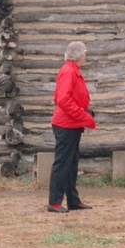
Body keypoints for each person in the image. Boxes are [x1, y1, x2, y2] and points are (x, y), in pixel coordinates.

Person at [48, 41, 96, 213]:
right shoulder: (69, 71)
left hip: (71, 122)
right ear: (80, 56)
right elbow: (63, 100)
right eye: (84, 53)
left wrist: (83, 114)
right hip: (66, 124)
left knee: (71, 162)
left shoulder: (71, 70)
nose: (85, 56)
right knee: (62, 163)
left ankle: (73, 200)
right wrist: (83, 116)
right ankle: (54, 202)